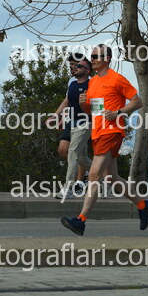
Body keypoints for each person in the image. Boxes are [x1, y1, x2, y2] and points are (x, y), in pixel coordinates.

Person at [61, 44, 148, 236]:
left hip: (112, 132)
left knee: (94, 175)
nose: (92, 59)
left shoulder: (116, 79)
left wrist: (118, 112)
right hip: (97, 133)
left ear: (107, 59)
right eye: (92, 56)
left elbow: (137, 102)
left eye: (95, 56)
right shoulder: (93, 82)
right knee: (111, 178)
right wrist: (83, 104)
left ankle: (81, 220)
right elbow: (94, 112)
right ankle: (143, 205)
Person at [47, 53, 92, 199]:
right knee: (82, 158)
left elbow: (98, 107)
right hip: (71, 122)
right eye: (73, 65)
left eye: (79, 65)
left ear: (87, 70)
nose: (74, 67)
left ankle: (68, 188)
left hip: (85, 123)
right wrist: (57, 117)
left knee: (72, 152)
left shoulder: (92, 84)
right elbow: (67, 102)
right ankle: (103, 176)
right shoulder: (72, 84)